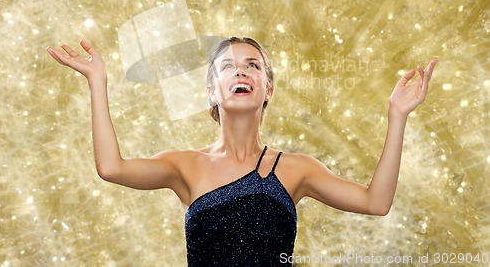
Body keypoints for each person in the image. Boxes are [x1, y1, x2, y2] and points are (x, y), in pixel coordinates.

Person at [46, 36, 437, 266]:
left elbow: (376, 202)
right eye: (227, 67)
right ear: (211, 91)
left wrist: (397, 115)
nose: (240, 72)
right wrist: (98, 81)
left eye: (253, 66)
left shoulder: (296, 169)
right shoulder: (185, 165)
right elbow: (111, 167)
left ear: (268, 88)